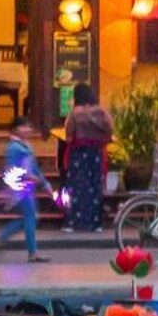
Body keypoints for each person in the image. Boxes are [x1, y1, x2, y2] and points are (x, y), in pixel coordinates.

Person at [62, 83, 112, 232]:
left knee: (77, 187)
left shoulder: (75, 113)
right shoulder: (101, 112)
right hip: (96, 153)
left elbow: (69, 135)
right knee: (95, 186)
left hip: (79, 153)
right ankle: (96, 223)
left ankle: (74, 222)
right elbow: (110, 129)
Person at [0, 119, 47, 261]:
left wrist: (44, 182)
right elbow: (12, 168)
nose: (28, 129)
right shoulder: (13, 148)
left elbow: (34, 167)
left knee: (30, 217)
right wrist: (28, 176)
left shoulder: (27, 146)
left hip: (28, 187)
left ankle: (2, 237)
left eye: (28, 126)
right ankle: (32, 252)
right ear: (16, 129)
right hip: (19, 187)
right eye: (24, 127)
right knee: (30, 217)